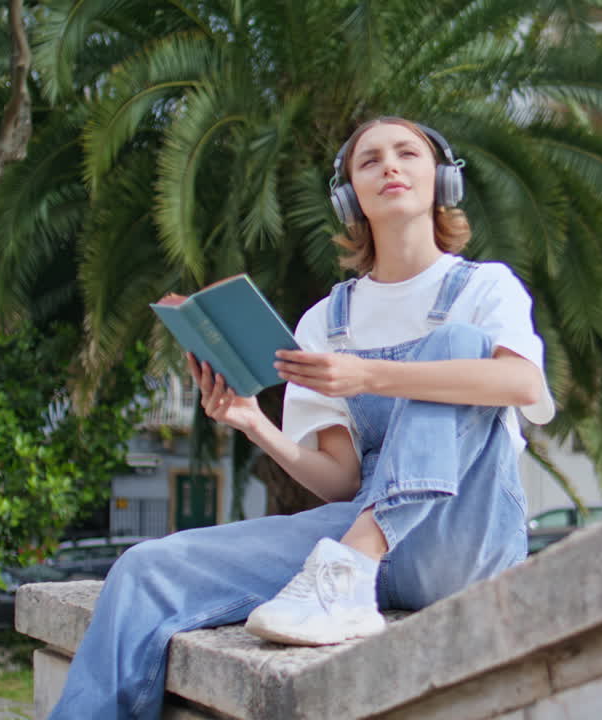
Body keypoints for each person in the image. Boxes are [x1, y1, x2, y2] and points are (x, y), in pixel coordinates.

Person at [47, 116, 554, 719]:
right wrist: (251, 422)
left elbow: (520, 382)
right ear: (349, 197)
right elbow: (340, 481)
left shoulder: (486, 287)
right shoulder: (325, 322)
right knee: (144, 569)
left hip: (462, 540)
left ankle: (352, 563)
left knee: (459, 346)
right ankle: (348, 571)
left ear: (441, 180)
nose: (390, 166)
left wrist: (367, 375)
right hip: (354, 552)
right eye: (369, 160)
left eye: (407, 153)